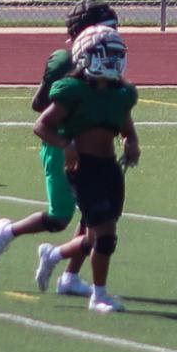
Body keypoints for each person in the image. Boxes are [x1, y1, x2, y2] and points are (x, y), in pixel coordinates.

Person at [0, 0, 112, 296]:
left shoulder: (108, 59)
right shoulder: (65, 61)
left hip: (93, 147)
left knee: (95, 217)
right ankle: (8, 231)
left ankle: (69, 277)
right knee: (58, 219)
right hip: (62, 146)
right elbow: (38, 105)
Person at [31, 26, 139, 315]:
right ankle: (99, 295)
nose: (114, 62)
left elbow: (127, 130)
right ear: (85, 56)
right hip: (83, 169)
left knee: (94, 237)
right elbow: (41, 125)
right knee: (106, 235)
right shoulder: (73, 91)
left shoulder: (122, 93)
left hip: (109, 170)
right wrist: (66, 145)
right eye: (106, 55)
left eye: (117, 55)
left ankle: (53, 254)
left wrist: (132, 144)